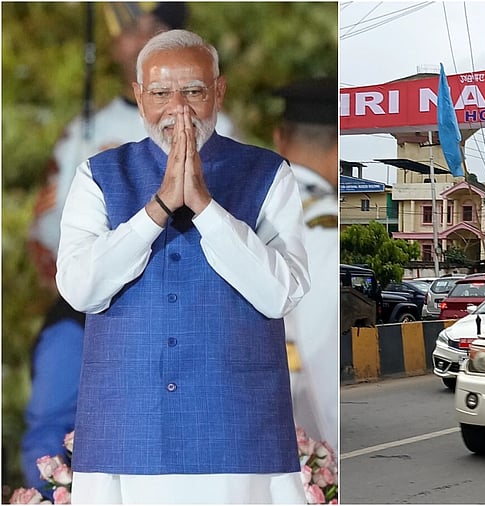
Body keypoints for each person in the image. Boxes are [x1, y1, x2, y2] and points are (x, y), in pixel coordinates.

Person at [55, 29, 310, 503]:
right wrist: (157, 210)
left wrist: (207, 209)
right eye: (160, 93)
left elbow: (281, 293)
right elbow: (79, 289)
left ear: (219, 91)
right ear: (138, 96)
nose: (179, 108)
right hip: (126, 427)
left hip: (236, 428)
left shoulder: (268, 173)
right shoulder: (98, 174)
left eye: (193, 91)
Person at [20, 5, 239, 498]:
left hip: (190, 314)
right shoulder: (86, 132)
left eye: (135, 20)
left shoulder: (225, 135)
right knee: (50, 426)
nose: (122, 34)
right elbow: (45, 232)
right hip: (86, 307)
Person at [273, 78, 339, 449]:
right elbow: (319, 355)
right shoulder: (321, 224)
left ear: (279, 136)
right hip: (294, 433)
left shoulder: (232, 209)